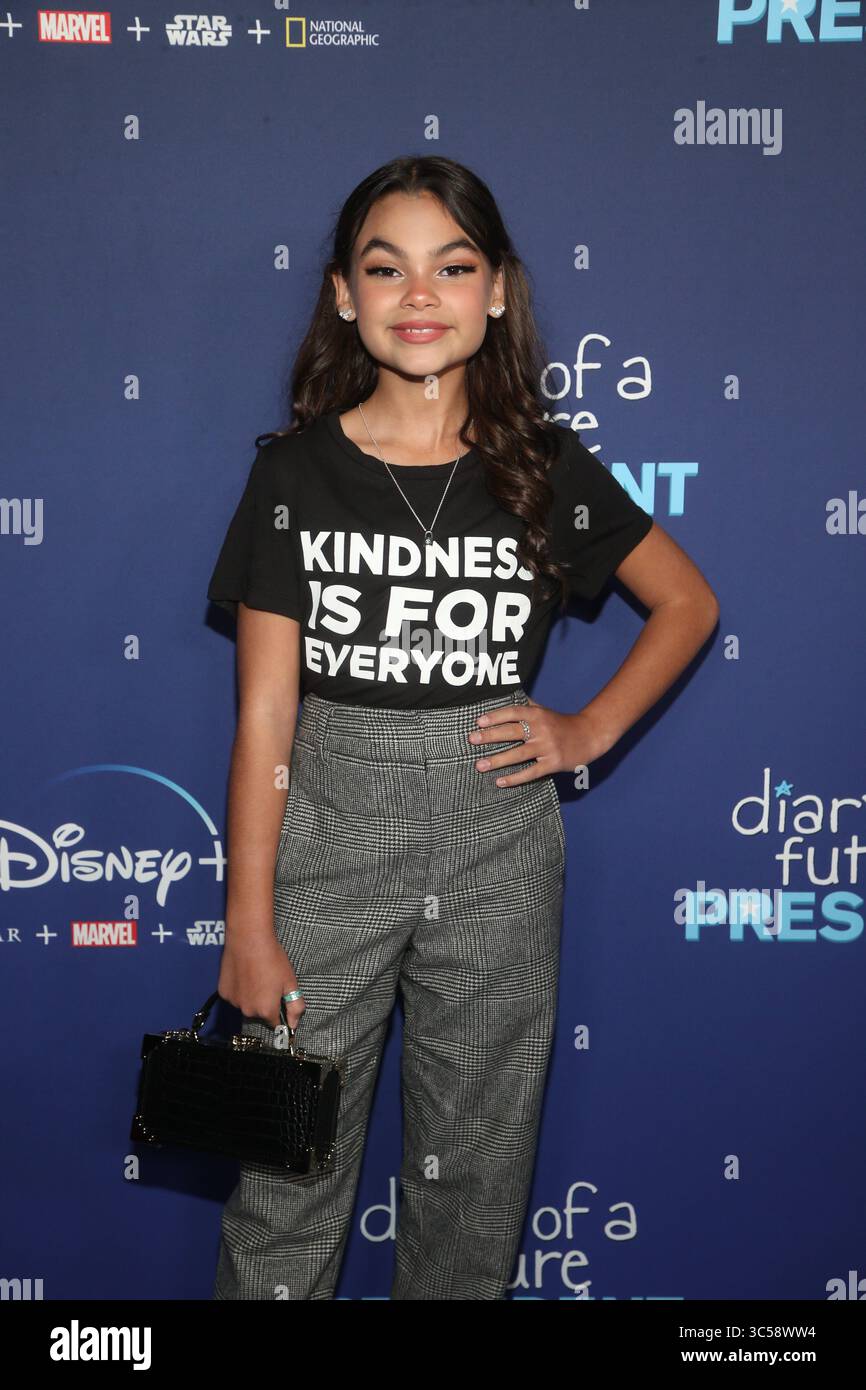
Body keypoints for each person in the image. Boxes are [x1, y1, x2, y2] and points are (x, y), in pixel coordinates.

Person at [205, 154, 719, 1301]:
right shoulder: (294, 476)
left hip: (494, 845)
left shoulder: (540, 465)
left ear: (497, 292)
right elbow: (266, 713)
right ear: (344, 293)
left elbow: (687, 602)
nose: (419, 294)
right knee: (283, 1175)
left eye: (453, 265)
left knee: (472, 1180)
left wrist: (586, 729)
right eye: (386, 268)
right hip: (323, 843)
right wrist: (248, 919)